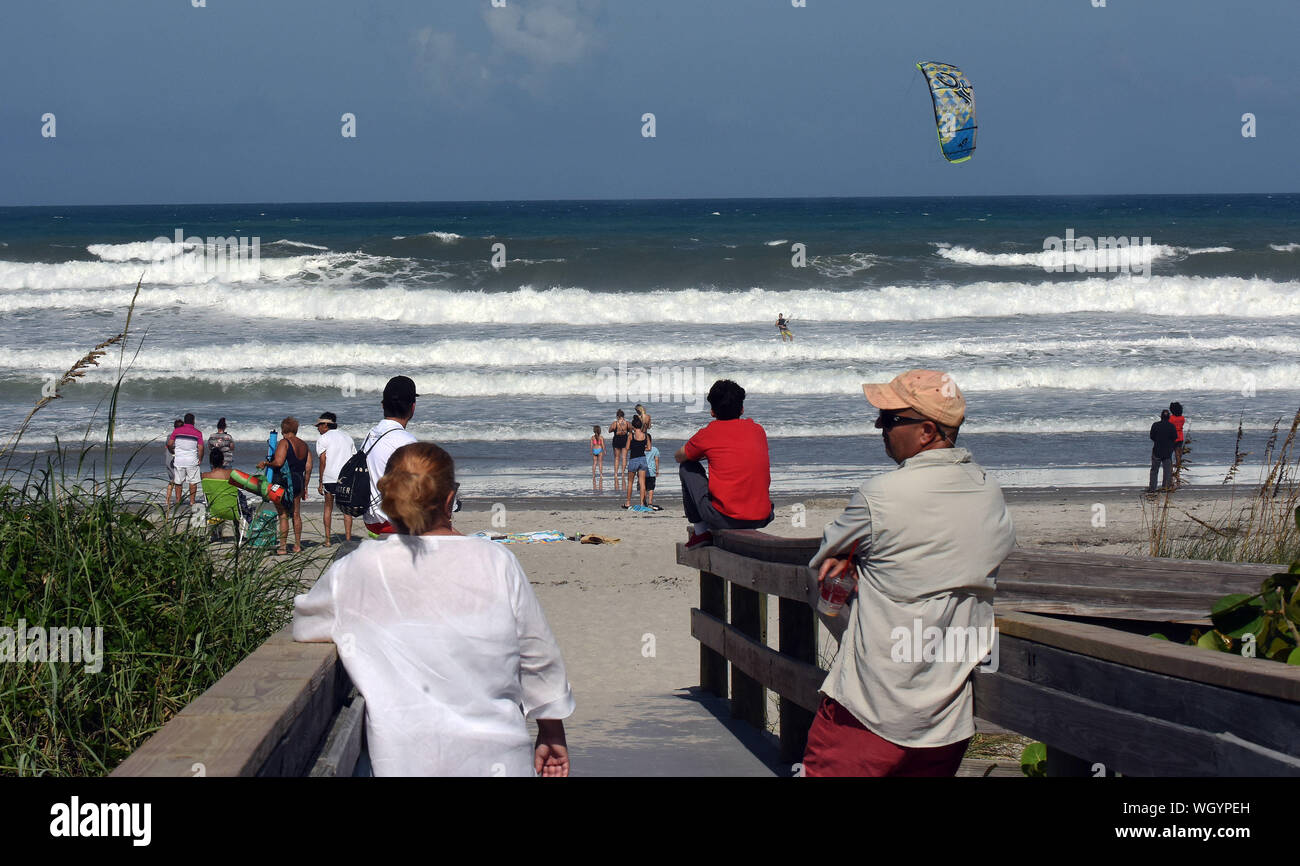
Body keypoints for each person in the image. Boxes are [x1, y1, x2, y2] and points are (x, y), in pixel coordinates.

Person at [291, 442, 575, 776]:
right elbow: (538, 653)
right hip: (499, 758)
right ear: (450, 499)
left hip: (402, 763)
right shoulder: (497, 562)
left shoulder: (356, 570)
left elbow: (304, 625)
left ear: (388, 498)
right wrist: (551, 728)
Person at [802, 369, 1016, 777]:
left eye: (890, 419)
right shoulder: (989, 491)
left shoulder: (879, 495)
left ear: (927, 431)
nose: (879, 427)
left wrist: (855, 574)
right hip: (946, 718)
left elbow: (823, 569)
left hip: (869, 708)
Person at [674, 379, 773, 548]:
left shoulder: (708, 434)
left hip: (726, 518)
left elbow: (679, 456)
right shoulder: (758, 430)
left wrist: (703, 455)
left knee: (687, 467)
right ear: (742, 408)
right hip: (762, 516)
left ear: (712, 412)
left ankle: (700, 532)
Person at [360, 376, 420, 535]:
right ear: (412, 407)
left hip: (371, 522)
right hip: (393, 524)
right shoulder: (406, 441)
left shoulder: (370, 435)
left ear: (382, 405)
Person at [258, 416, 313, 554]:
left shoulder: (284, 442)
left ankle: (282, 548)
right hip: (298, 481)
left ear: (283, 429)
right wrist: (305, 486)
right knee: (296, 514)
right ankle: (298, 545)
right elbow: (308, 467)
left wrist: (265, 463)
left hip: (285, 481)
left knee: (283, 514)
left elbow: (278, 462)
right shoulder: (304, 445)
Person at [315, 412, 357, 547]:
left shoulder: (323, 438)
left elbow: (323, 461)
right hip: (346, 478)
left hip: (330, 477)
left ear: (326, 425)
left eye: (319, 425)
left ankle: (327, 540)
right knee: (346, 509)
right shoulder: (347, 437)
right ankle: (348, 539)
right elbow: (354, 459)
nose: (318, 428)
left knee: (328, 508)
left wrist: (320, 482)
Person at [167, 413, 205, 508]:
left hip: (179, 459)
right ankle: (192, 502)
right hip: (192, 460)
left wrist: (173, 451)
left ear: (185, 420)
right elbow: (201, 448)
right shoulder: (198, 433)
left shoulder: (177, 431)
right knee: (193, 482)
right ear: (193, 421)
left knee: (178, 482)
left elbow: (169, 444)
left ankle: (178, 501)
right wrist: (200, 459)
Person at [1148, 409, 1178, 494]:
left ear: (1161, 417)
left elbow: (1152, 436)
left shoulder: (1155, 425)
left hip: (1157, 449)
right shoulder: (1171, 426)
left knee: (1154, 470)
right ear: (1169, 417)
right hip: (1167, 451)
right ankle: (1165, 487)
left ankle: (1152, 488)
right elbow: (1175, 437)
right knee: (1167, 470)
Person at [624, 416, 650, 510]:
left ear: (634, 426)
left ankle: (628, 502)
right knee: (642, 482)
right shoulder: (645, 435)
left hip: (633, 459)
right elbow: (648, 447)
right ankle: (642, 503)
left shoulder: (631, 435)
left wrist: (632, 447)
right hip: (643, 459)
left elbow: (627, 448)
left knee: (630, 482)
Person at [164, 418, 182, 508]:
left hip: (168, 460)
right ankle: (177, 500)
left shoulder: (169, 436)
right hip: (173, 460)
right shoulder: (177, 437)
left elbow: (166, 447)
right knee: (177, 480)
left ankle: (168, 500)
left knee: (172, 480)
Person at [610, 410, 630, 488]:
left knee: (617, 458)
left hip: (617, 440)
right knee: (624, 457)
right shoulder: (627, 423)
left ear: (617, 416)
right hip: (625, 439)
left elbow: (609, 430)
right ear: (623, 415)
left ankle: (615, 473)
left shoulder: (615, 423)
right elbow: (631, 430)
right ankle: (622, 473)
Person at [644, 433, 662, 511]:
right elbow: (656, 460)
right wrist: (657, 470)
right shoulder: (655, 449)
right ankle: (650, 502)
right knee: (651, 488)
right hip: (652, 471)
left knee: (644, 487)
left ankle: (644, 502)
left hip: (643, 471)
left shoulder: (642, 449)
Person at [1169, 401, 1187, 477]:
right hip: (1180, 436)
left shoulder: (1171, 418)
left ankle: (1170, 469)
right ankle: (1178, 470)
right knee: (1178, 454)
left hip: (1172, 437)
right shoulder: (1182, 418)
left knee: (1169, 454)